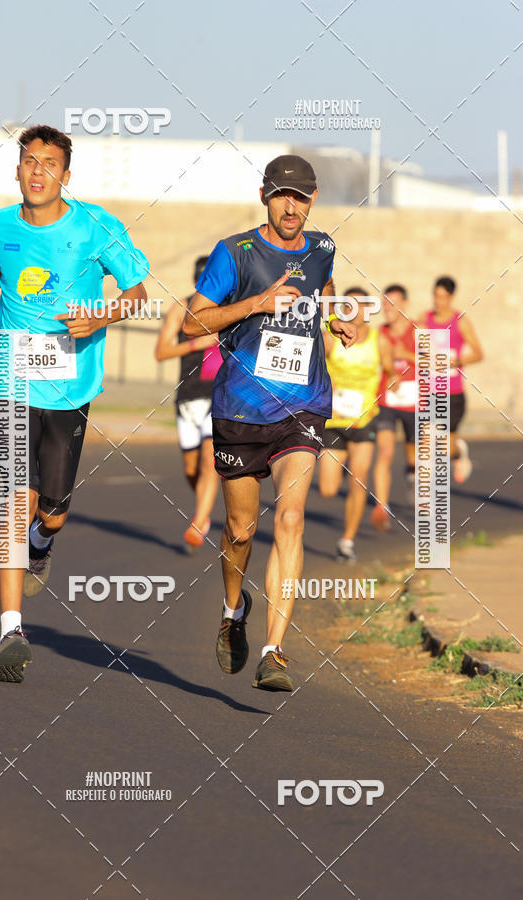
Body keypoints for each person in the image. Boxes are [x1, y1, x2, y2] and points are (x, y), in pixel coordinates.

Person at [0, 124, 149, 683]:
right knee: (15, 495)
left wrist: (103, 314)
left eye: (49, 164)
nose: (38, 172)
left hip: (70, 381)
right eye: (28, 161)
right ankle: (11, 628)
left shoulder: (95, 227)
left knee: (53, 509)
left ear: (66, 174)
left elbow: (138, 295)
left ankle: (43, 538)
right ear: (17, 169)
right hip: (11, 372)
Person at [184, 154, 356, 692]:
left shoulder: (323, 249)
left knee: (290, 518)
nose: (291, 206)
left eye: (301, 197)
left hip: (303, 405)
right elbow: (194, 318)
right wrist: (255, 304)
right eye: (282, 195)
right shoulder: (235, 252)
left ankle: (274, 651)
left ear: (314, 199)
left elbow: (324, 298)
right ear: (264, 194)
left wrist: (338, 320)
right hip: (240, 409)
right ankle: (233, 609)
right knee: (239, 532)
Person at [319, 287, 397, 563]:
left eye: (359, 305)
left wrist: (387, 385)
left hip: (364, 419)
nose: (354, 311)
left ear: (367, 309)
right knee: (328, 489)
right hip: (334, 419)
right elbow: (315, 369)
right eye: (347, 306)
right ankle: (340, 468)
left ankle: (347, 540)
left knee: (359, 476)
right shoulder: (330, 338)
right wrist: (330, 385)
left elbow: (390, 371)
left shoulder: (379, 341)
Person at [155, 256, 222, 552]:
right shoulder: (181, 308)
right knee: (191, 470)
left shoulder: (229, 311)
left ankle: (199, 520)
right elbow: (161, 352)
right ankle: (203, 508)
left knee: (210, 463)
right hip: (188, 397)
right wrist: (197, 344)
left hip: (218, 397)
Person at [420, 276, 483, 483]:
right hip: (429, 391)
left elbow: (478, 353)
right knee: (427, 443)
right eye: (436, 296)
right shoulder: (424, 319)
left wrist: (455, 362)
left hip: (453, 393)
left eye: (443, 297)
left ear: (452, 297)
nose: (438, 301)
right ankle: (426, 495)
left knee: (445, 447)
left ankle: (459, 453)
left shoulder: (460, 322)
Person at [371, 284, 417, 531]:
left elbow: (437, 362)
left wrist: (406, 354)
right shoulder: (379, 333)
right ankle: (382, 505)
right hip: (387, 400)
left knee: (415, 458)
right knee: (385, 451)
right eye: (385, 304)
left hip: (415, 401)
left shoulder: (419, 330)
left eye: (393, 304)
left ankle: (412, 478)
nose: (387, 309)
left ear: (405, 305)